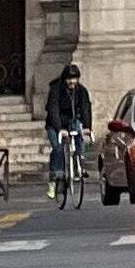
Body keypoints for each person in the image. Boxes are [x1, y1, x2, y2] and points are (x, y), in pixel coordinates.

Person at [43, 54, 94, 198]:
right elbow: (53, 110)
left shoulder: (81, 90)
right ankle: (54, 179)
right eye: (70, 79)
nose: (72, 82)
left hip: (72, 121)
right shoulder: (56, 90)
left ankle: (79, 161)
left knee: (79, 133)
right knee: (58, 149)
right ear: (65, 79)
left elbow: (85, 108)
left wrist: (87, 127)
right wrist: (60, 129)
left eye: (75, 79)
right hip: (56, 124)